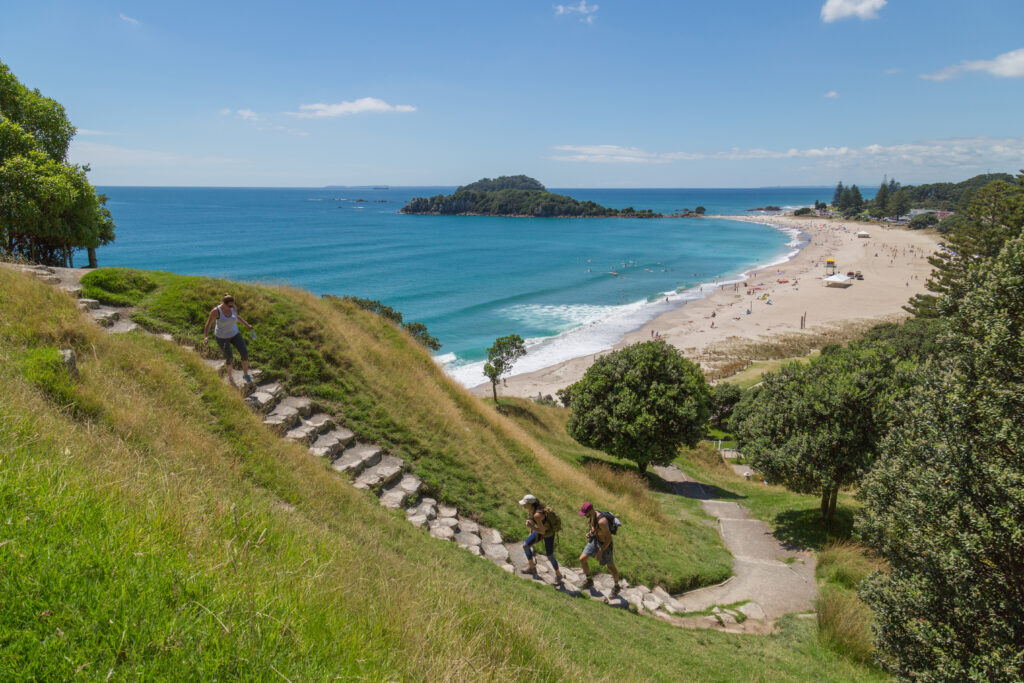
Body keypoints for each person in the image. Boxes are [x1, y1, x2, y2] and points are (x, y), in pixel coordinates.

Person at [203, 294, 255, 381]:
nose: (231, 307)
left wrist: (247, 325)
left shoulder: (233, 307)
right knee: (229, 357)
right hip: (222, 337)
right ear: (223, 303)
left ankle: (246, 374)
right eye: (229, 305)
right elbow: (208, 324)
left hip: (235, 334)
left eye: (232, 305)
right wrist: (206, 336)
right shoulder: (216, 311)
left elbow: (237, 317)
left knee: (244, 352)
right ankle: (230, 377)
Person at [578, 502, 620, 596]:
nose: (584, 515)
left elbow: (609, 539)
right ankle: (589, 580)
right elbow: (594, 526)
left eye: (585, 513)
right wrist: (590, 533)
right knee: (582, 559)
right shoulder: (593, 516)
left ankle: (617, 586)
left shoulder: (602, 522)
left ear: (590, 510)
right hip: (595, 539)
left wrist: (600, 551)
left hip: (605, 545)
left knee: (610, 567)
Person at [519, 494, 563, 582]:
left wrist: (532, 527)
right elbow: (532, 521)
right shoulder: (531, 511)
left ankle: (559, 575)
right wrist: (531, 532)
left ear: (530, 504)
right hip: (541, 530)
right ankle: (532, 568)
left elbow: (542, 531)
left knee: (550, 555)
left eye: (525, 503)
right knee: (526, 546)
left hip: (548, 533)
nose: (523, 505)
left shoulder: (537, 515)